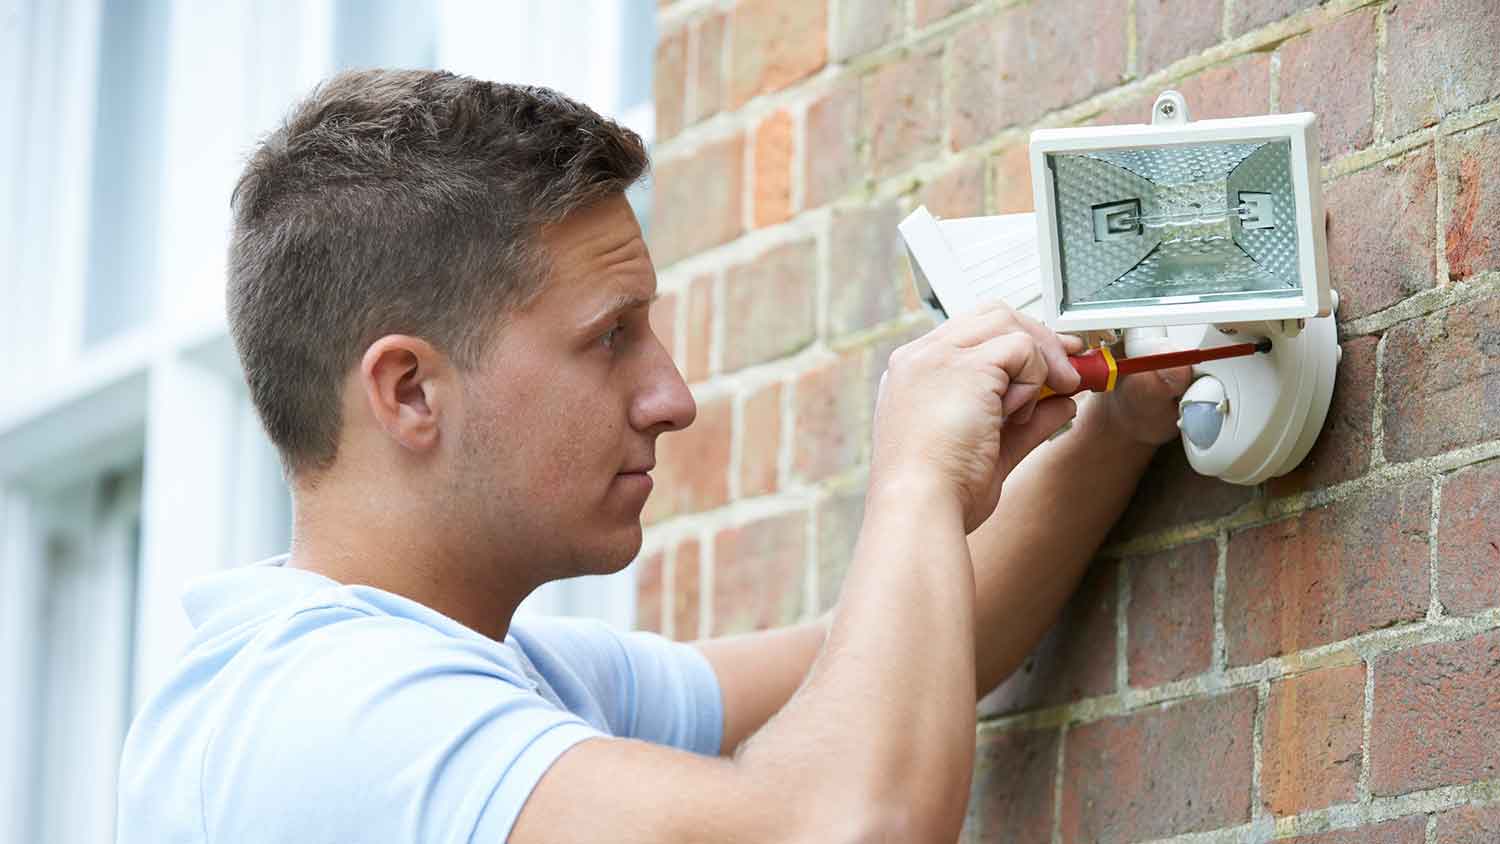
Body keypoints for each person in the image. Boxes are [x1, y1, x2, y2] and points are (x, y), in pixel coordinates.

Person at [116, 69, 1187, 843]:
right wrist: (909, 481)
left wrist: (1124, 422)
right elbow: (850, 824)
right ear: (409, 391)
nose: (672, 397)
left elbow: (898, 670)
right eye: (611, 336)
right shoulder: (332, 713)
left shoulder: (504, 674)